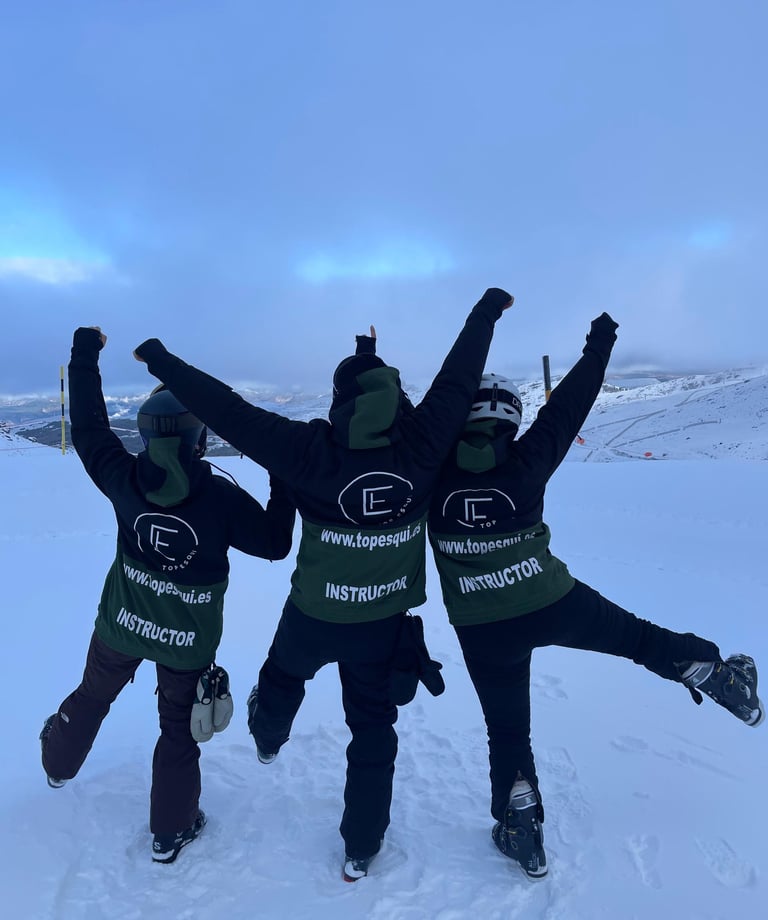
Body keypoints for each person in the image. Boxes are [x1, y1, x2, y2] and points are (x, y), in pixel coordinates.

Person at [132, 287, 513, 880]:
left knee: (282, 679)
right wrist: (485, 312)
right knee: (373, 730)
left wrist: (162, 361)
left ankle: (267, 737)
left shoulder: (308, 450)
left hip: (311, 617)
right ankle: (361, 847)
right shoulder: (423, 443)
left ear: (339, 402)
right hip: (381, 625)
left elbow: (227, 410)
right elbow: (457, 379)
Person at [427, 312, 764, 880]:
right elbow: (570, 405)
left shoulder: (428, 474)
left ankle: (521, 825)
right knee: (638, 639)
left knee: (507, 729)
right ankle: (709, 670)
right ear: (510, 419)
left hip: (480, 625)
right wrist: (599, 345)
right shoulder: (528, 459)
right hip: (553, 599)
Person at [41, 326, 295, 864]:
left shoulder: (122, 476)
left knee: (92, 696)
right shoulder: (221, 499)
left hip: (121, 625)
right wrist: (283, 479)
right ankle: (171, 831)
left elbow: (88, 428)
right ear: (198, 439)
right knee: (178, 731)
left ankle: (57, 765)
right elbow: (275, 544)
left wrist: (84, 354)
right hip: (187, 642)